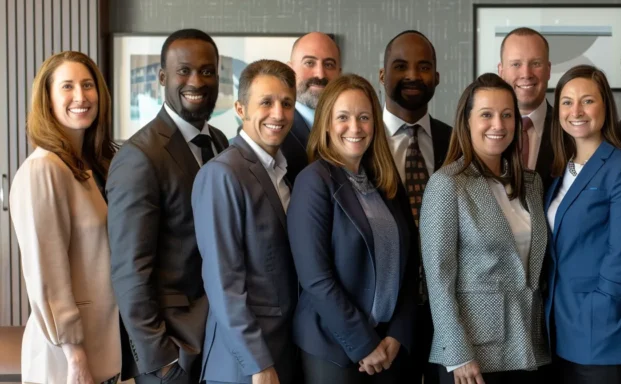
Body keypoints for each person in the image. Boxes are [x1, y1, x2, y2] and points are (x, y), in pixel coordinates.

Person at [107, 28, 228, 384]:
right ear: (162, 77)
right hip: (174, 352)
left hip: (218, 339)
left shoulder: (219, 141)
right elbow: (130, 270)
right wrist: (160, 361)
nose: (197, 81)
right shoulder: (140, 156)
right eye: (184, 70)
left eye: (207, 71)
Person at [420, 72, 551, 384]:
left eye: (507, 115)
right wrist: (458, 353)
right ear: (466, 122)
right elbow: (437, 278)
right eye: (487, 115)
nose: (499, 125)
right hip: (472, 356)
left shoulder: (532, 184)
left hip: (531, 347)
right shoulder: (447, 184)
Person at [288, 73, 419, 384]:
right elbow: (316, 279)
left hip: (388, 347)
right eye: (343, 117)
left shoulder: (384, 181)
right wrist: (364, 344)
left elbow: (412, 264)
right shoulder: (314, 181)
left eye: (364, 117)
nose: (355, 127)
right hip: (334, 349)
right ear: (327, 124)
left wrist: (397, 334)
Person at [10, 51, 120, 384]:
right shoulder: (43, 169)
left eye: (88, 85)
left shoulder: (94, 166)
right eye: (67, 86)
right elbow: (48, 277)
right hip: (68, 360)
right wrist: (76, 358)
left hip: (105, 349)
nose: (81, 96)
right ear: (47, 99)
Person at [192, 59, 300, 383]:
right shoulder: (222, 174)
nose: (278, 114)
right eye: (265, 103)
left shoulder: (285, 170)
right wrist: (257, 363)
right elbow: (224, 283)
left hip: (284, 352)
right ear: (240, 108)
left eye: (286, 103)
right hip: (242, 366)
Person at [545, 65, 621, 383]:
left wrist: (596, 314)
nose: (575, 111)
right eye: (566, 102)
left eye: (587, 101)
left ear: (605, 105)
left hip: (605, 337)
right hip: (561, 333)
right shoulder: (560, 173)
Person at [378, 29, 452, 384]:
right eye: (400, 66)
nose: (413, 75)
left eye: (424, 67)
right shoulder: (358, 143)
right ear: (382, 75)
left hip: (449, 316)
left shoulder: (456, 141)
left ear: (436, 77)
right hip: (385, 320)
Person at [497, 27, 556, 189]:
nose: (526, 74)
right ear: (501, 71)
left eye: (536, 63)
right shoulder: (482, 131)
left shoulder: (570, 131)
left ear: (548, 70)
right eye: (516, 64)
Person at [282, 31, 341, 185]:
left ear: (339, 74)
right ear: (290, 71)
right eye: (309, 63)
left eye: (329, 64)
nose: (320, 74)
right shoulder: (273, 130)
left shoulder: (353, 128)